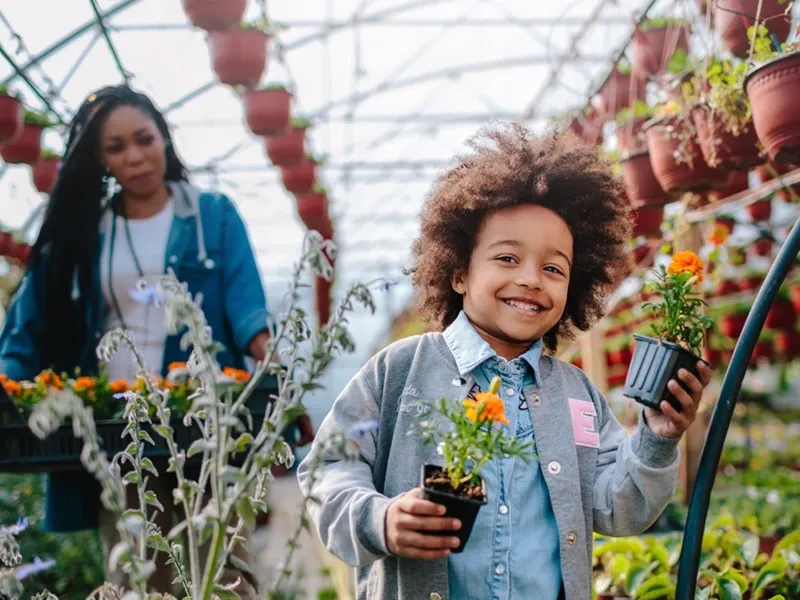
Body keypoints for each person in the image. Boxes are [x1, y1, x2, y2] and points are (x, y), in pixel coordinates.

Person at [297, 124, 712, 600]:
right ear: (457, 272)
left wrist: (657, 439)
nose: (532, 279)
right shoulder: (399, 371)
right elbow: (328, 469)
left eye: (554, 268)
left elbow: (617, 508)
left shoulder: (577, 394)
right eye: (507, 258)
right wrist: (381, 520)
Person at [0, 85, 314, 594]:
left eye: (143, 139)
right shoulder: (84, 234)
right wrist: (9, 387)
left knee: (222, 570)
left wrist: (283, 384)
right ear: (101, 159)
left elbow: (250, 318)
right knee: (138, 574)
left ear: (164, 138)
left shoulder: (212, 217)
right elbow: (27, 324)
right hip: (121, 431)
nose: (134, 156)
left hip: (205, 423)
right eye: (116, 147)